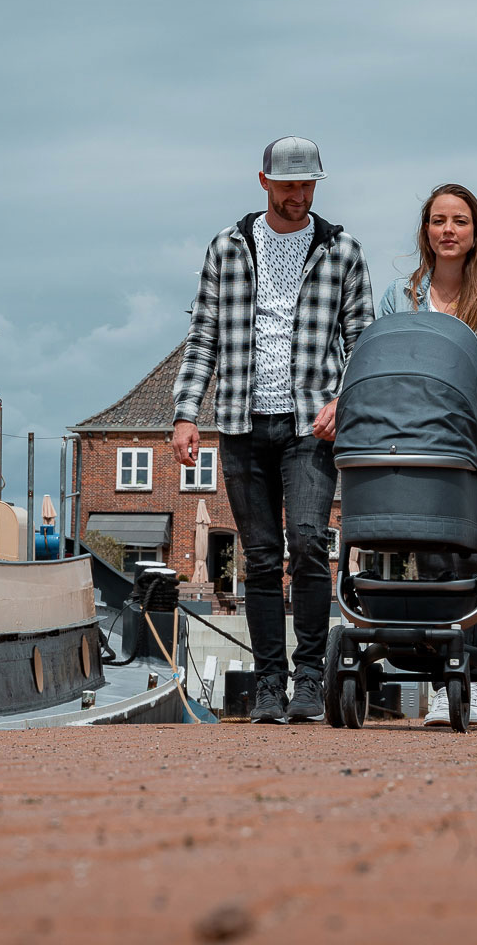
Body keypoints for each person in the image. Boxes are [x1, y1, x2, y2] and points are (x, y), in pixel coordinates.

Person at [172, 137, 374, 723]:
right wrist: (186, 413)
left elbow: (362, 342)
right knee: (260, 557)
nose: (298, 196)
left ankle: (310, 678)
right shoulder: (227, 248)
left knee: (309, 543)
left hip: (311, 424)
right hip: (239, 421)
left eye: (308, 185)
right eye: (288, 186)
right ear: (263, 182)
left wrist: (345, 399)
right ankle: (269, 685)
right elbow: (202, 335)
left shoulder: (343, 252)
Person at [376, 182, 477, 727]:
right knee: (432, 559)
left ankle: (467, 682)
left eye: (460, 222)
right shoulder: (399, 297)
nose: (449, 230)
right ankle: (443, 681)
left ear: (476, 233)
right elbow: (383, 361)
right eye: (439, 220)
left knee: (475, 562)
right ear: (426, 229)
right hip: (421, 439)